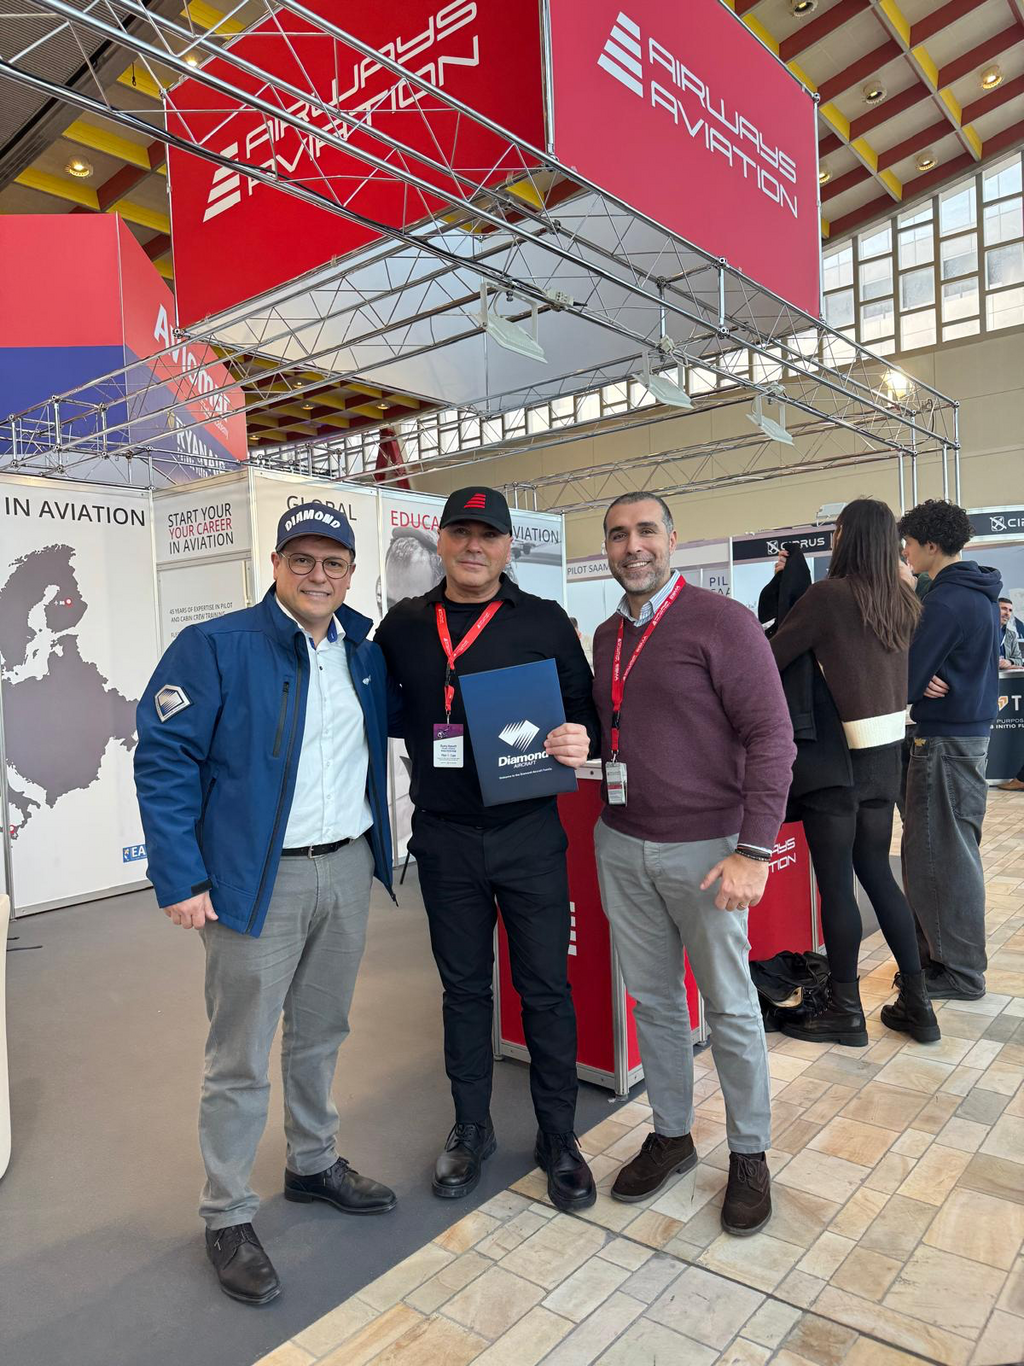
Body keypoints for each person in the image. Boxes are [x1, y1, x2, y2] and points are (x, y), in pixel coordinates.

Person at [134, 503, 398, 1306]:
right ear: (276, 563)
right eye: (303, 560)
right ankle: (227, 1212)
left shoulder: (363, 651)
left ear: (352, 571)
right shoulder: (216, 647)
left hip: (345, 866)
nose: (319, 576)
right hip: (259, 879)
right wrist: (181, 877)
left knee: (322, 1033)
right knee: (240, 1053)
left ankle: (313, 1163)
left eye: (335, 563)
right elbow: (165, 757)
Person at [374, 486, 600, 1212]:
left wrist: (578, 736)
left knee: (544, 991)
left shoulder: (542, 623)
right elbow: (378, 713)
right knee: (465, 992)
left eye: (489, 535)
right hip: (445, 840)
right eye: (461, 532)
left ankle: (558, 1136)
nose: (474, 547)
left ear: (508, 547)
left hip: (530, 834)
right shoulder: (404, 625)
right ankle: (472, 1129)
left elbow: (584, 710)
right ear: (440, 540)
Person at [590, 492, 795, 1236]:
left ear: (673, 540)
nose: (632, 545)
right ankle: (672, 1134)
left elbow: (774, 738)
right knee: (653, 1002)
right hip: (622, 841)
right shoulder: (608, 634)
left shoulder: (725, 623)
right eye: (618, 535)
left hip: (709, 853)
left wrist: (752, 849)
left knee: (731, 1005)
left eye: (646, 531)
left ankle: (749, 1152)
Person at [767, 500, 940, 1048]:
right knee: (877, 875)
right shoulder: (904, 603)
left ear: (844, 537)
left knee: (837, 883)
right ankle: (918, 1003)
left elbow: (770, 658)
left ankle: (844, 1008)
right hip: (882, 763)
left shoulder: (828, 598)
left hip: (833, 767)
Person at [898, 498, 1001, 1001]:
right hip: (967, 737)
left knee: (939, 857)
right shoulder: (977, 591)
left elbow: (907, 677)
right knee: (952, 852)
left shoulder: (944, 602)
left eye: (911, 546)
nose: (907, 554)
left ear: (931, 546)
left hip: (942, 742)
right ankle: (950, 961)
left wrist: (915, 681)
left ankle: (957, 972)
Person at [999, 597, 1023, 668]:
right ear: (994, 609)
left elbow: (1019, 660)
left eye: (1010, 610)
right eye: (1004, 608)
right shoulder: (983, 631)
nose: (1007, 613)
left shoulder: (1011, 635)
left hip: (1005, 677)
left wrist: (1009, 662)